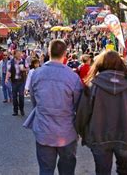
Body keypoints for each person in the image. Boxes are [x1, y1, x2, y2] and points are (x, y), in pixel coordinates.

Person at [23, 39, 83, 175]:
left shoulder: (37, 73)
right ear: (65, 53)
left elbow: (34, 100)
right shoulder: (72, 77)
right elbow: (78, 105)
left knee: (45, 170)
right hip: (67, 130)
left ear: (48, 52)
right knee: (67, 170)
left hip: (44, 129)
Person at [6, 49, 28, 116]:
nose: (19, 55)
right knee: (14, 97)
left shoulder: (24, 61)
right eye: (18, 54)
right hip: (14, 81)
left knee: (21, 96)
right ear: (14, 54)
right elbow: (9, 71)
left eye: (20, 53)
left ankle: (21, 109)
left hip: (21, 81)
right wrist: (6, 78)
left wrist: (24, 69)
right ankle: (15, 110)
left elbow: (28, 69)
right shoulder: (11, 62)